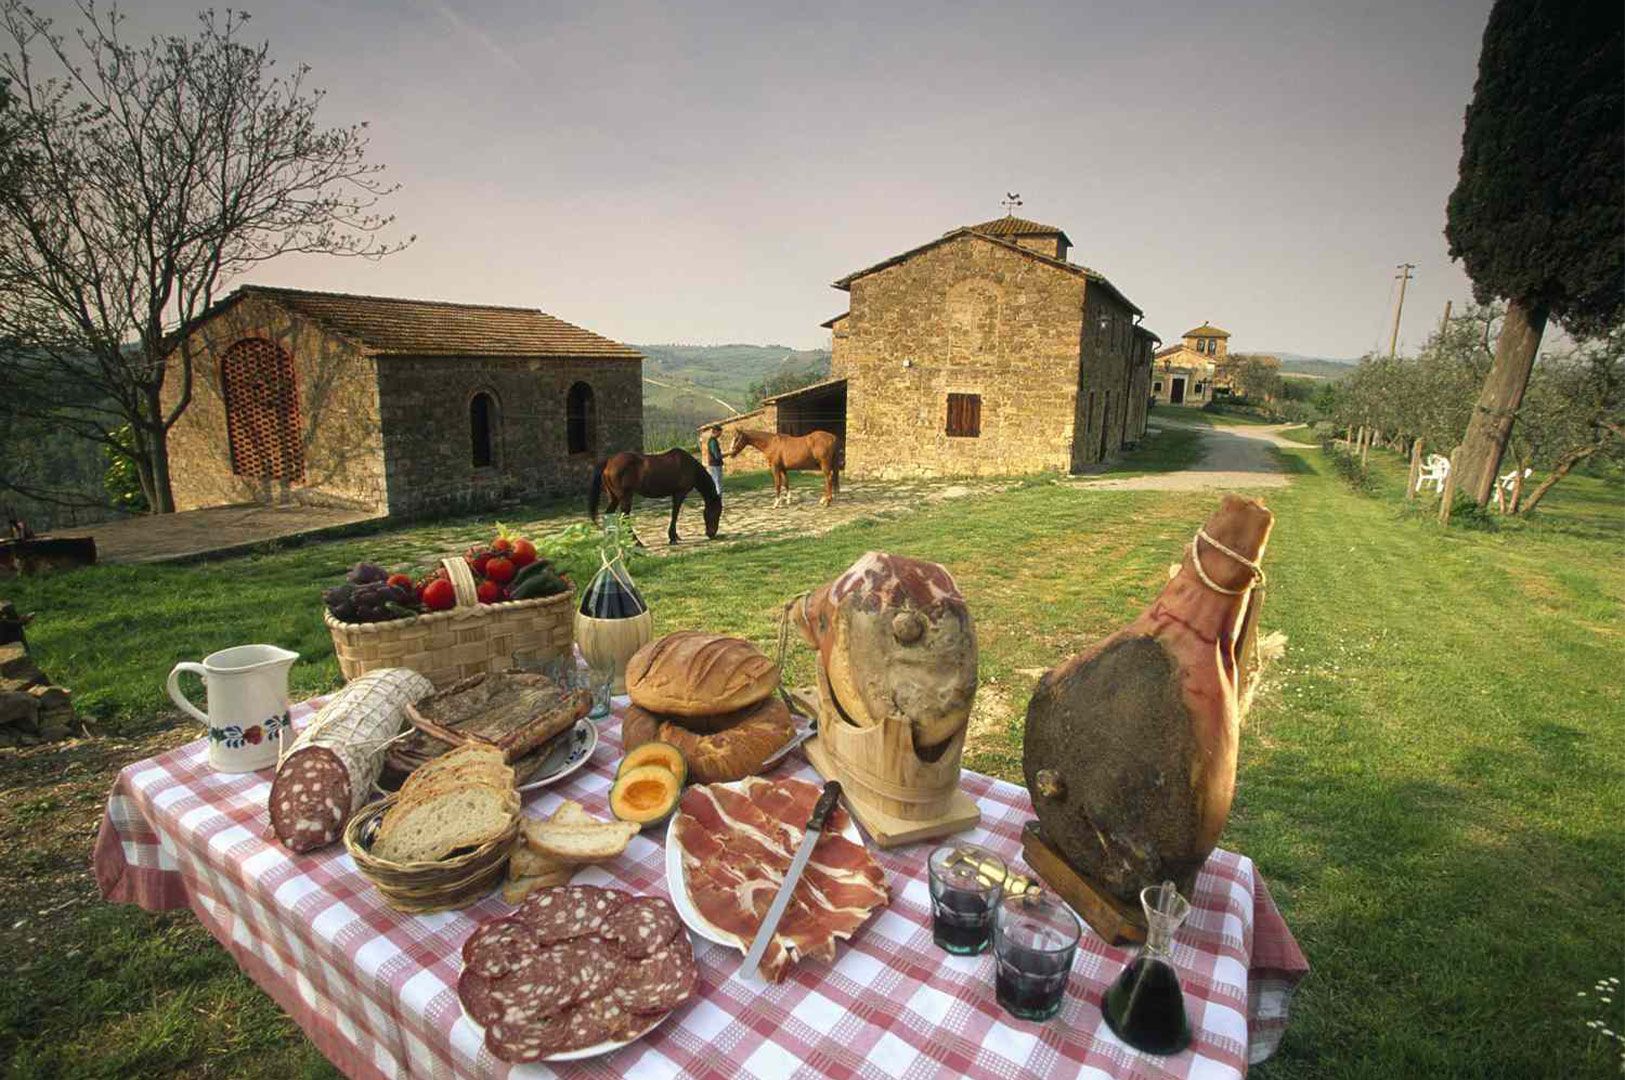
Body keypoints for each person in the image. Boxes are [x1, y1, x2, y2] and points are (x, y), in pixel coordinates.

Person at [704, 425, 725, 504]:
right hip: (715, 465)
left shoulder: (713, 441)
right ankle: (718, 501)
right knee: (717, 483)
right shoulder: (713, 441)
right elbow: (717, 455)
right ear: (716, 432)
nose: (720, 435)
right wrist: (728, 453)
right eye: (720, 433)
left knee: (715, 482)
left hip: (713, 464)